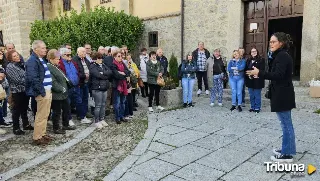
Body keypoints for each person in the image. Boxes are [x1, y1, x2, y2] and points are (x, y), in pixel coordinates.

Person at [247, 32, 296, 162]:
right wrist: (261, 74)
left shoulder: (282, 56)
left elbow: (278, 75)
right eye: (270, 42)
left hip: (283, 95)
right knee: (285, 124)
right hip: (281, 93)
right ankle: (287, 149)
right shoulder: (279, 55)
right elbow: (275, 74)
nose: (271, 44)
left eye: (274, 42)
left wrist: (260, 72)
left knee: (286, 124)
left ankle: (287, 154)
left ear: (281, 43)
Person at [26, 40, 53, 145]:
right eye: (42, 48)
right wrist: (42, 91)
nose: (45, 49)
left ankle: (42, 134)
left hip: (47, 90)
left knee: (45, 114)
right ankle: (37, 137)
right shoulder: (32, 60)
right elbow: (33, 78)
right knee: (41, 115)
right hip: (43, 91)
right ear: (35, 49)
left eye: (45, 47)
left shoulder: (40, 59)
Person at [47, 49, 75, 134]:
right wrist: (61, 89)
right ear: (51, 58)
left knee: (66, 109)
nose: (58, 60)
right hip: (57, 94)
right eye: (57, 59)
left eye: (59, 58)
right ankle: (56, 128)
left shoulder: (56, 66)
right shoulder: (49, 67)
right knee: (57, 112)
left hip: (64, 93)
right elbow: (53, 81)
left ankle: (65, 124)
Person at [6, 51, 33, 135]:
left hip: (24, 90)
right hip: (17, 91)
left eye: (17, 55)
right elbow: (17, 80)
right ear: (10, 58)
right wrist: (28, 79)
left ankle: (26, 124)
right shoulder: (10, 67)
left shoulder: (21, 64)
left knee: (24, 108)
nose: (17, 57)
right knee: (16, 110)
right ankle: (16, 128)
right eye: (14, 56)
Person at [89, 52, 112, 128]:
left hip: (104, 87)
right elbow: (97, 75)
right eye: (99, 58)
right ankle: (96, 120)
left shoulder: (104, 65)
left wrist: (103, 73)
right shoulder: (92, 66)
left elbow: (110, 72)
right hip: (97, 88)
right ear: (95, 59)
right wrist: (105, 75)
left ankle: (102, 119)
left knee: (103, 104)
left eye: (101, 58)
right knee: (98, 105)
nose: (101, 59)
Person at [58, 48, 79, 127]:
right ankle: (68, 119)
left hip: (75, 86)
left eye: (71, 54)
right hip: (67, 87)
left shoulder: (72, 62)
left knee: (76, 102)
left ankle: (78, 116)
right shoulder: (60, 64)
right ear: (62, 55)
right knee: (67, 104)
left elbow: (77, 72)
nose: (70, 56)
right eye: (68, 55)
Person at [73, 47, 92, 124]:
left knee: (85, 99)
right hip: (80, 83)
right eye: (83, 51)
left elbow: (89, 68)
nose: (85, 53)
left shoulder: (86, 60)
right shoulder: (75, 60)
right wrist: (84, 75)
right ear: (78, 52)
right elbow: (76, 72)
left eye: (85, 51)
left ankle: (84, 114)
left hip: (86, 83)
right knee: (79, 100)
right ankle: (81, 116)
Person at [111, 50, 130, 124]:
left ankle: (122, 116)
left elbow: (128, 72)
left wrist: (122, 73)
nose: (120, 57)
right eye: (118, 56)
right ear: (115, 57)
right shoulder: (113, 65)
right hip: (117, 86)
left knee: (123, 102)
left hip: (124, 85)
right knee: (117, 103)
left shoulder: (123, 63)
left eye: (121, 56)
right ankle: (117, 117)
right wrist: (123, 74)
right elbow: (116, 75)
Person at [245, 48, 265, 113]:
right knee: (251, 94)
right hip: (250, 80)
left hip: (258, 80)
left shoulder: (261, 60)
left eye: (255, 51)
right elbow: (246, 69)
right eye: (252, 51)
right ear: (250, 53)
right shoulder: (248, 60)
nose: (253, 52)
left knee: (257, 94)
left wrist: (258, 75)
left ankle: (257, 107)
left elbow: (263, 69)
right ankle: (252, 107)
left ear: (257, 52)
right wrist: (248, 74)